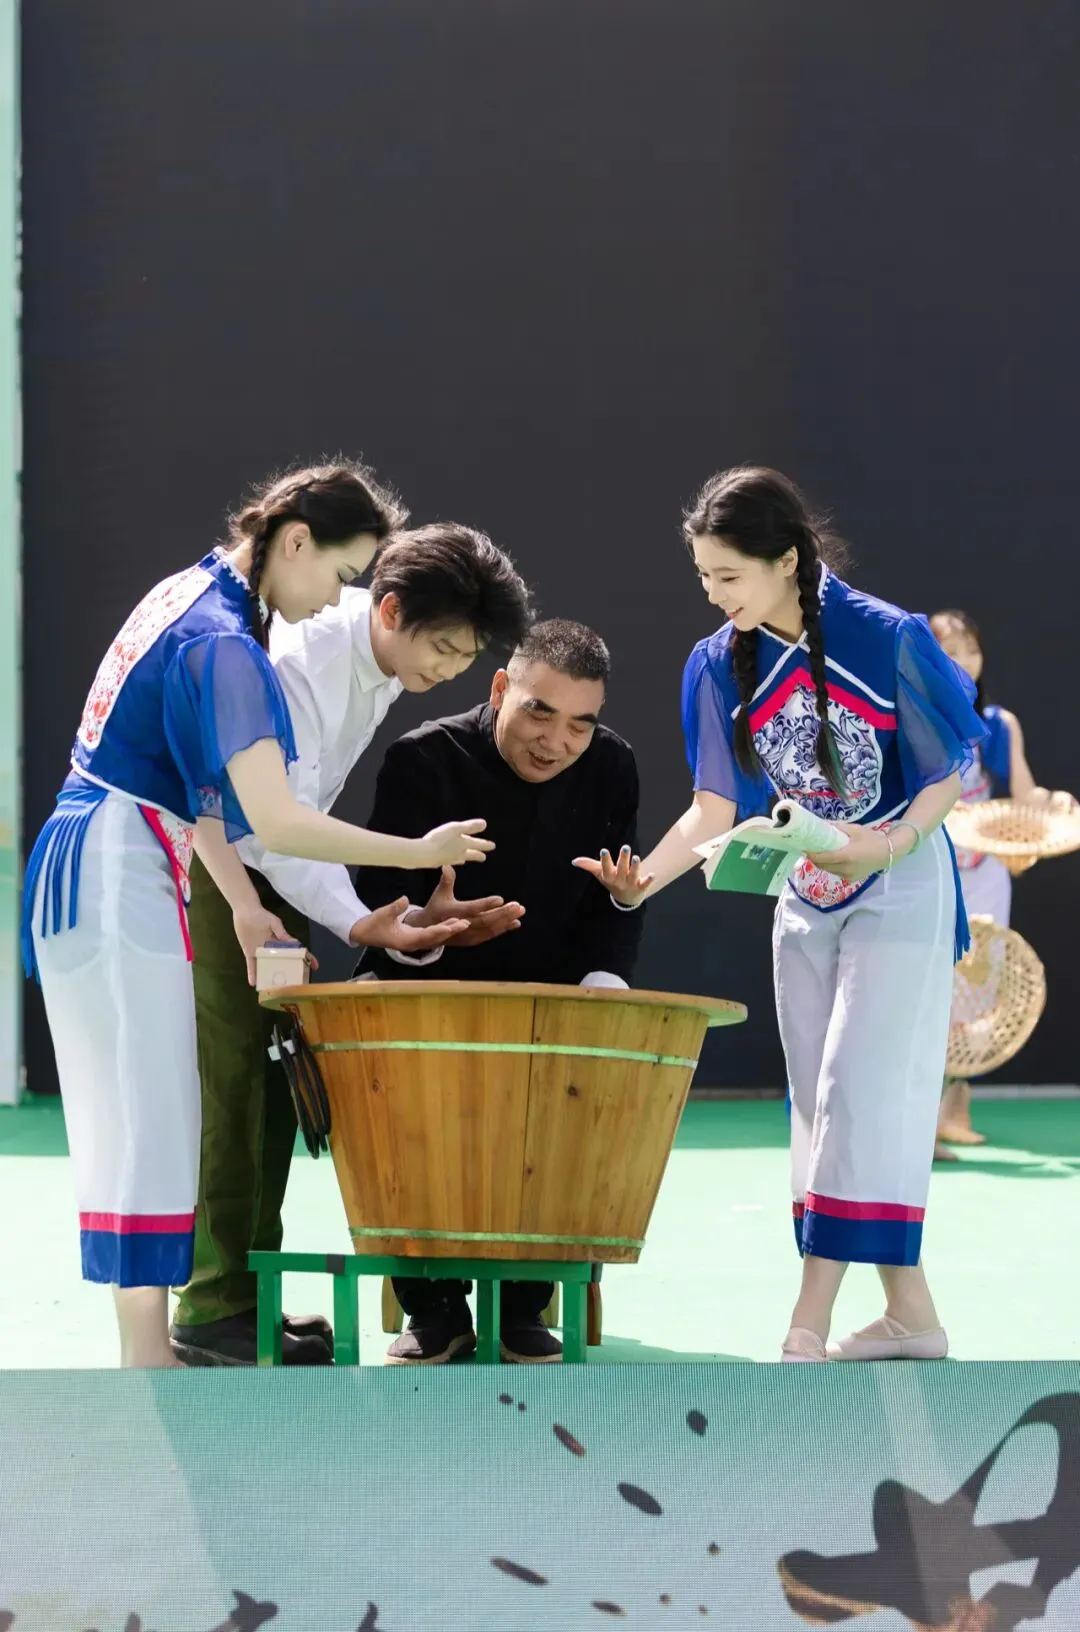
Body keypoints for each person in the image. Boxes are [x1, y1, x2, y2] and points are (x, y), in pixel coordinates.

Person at [22, 461, 494, 1369]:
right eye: (341, 574)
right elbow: (273, 821)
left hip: (112, 853)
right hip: (124, 866)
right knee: (154, 1114)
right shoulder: (231, 643)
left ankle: (149, 1344)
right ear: (295, 542)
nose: (335, 598)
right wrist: (416, 854)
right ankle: (153, 1348)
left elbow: (204, 791)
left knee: (144, 1111)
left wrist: (243, 903)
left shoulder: (193, 595)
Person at [576, 467, 985, 1364]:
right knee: (819, 1104)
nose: (713, 594)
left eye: (728, 575)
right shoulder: (715, 661)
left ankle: (807, 1322)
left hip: (900, 878)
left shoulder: (888, 637)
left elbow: (945, 772)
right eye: (704, 577)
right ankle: (911, 1316)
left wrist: (884, 844)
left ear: (786, 561)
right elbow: (713, 810)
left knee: (851, 1089)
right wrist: (643, 880)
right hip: (805, 892)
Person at [170, 522, 532, 1366]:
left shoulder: (384, 657)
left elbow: (296, 830)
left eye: (466, 656)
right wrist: (364, 908)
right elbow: (268, 826)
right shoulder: (306, 660)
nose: (451, 670)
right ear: (391, 609)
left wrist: (363, 918)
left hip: (276, 873)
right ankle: (210, 1307)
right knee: (231, 1086)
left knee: (273, 1083)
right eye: (443, 648)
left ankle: (243, 1297)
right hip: (217, 866)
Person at [353, 618, 644, 1365]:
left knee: (579, 1074)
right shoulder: (423, 758)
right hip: (426, 997)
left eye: (580, 724)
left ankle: (526, 1301)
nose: (557, 741)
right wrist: (432, 930)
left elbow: (614, 904)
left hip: (551, 1004)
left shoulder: (613, 766)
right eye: (539, 712)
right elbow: (376, 908)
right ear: (499, 688)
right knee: (401, 1082)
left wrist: (603, 992)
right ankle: (432, 1304)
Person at [928, 608, 1059, 1152]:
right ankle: (921, 1117)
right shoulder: (918, 714)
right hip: (932, 866)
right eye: (949, 650)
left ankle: (955, 1110)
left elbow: (1025, 793)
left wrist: (1051, 805)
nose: (963, 660)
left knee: (977, 990)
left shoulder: (1000, 723)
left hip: (985, 872)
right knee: (930, 988)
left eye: (971, 649)